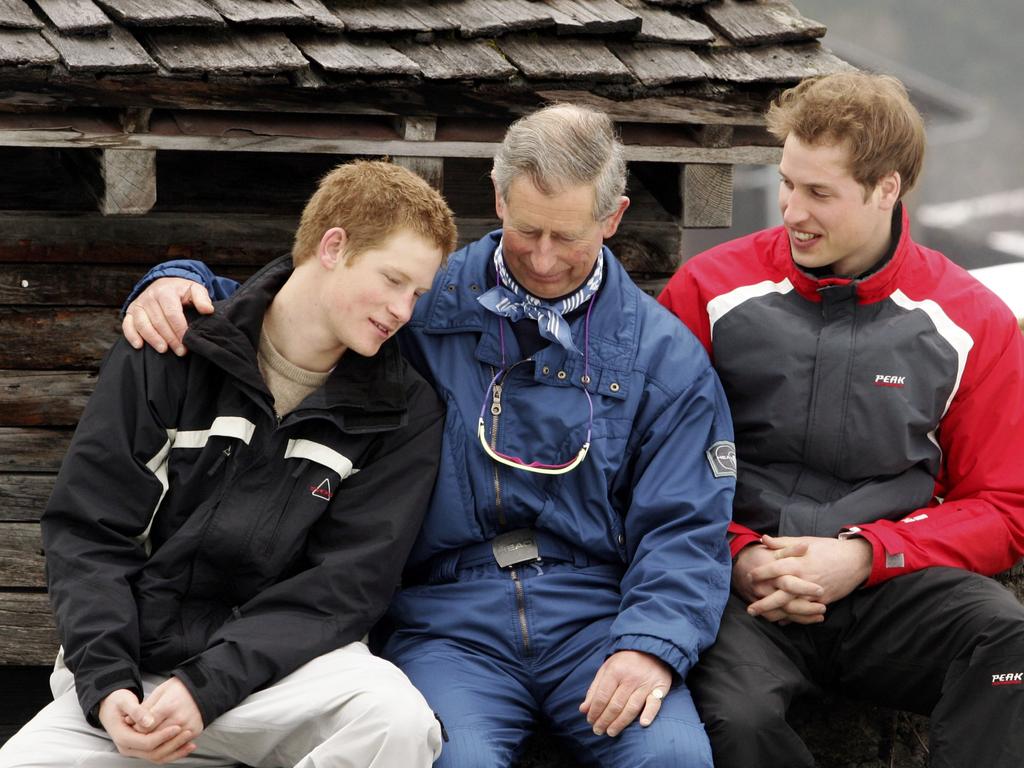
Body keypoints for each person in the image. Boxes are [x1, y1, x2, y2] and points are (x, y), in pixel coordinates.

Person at [117, 104, 736, 767]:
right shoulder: (422, 300)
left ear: (613, 218)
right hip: (444, 618)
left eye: (569, 236)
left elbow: (687, 525)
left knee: (673, 757)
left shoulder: (663, 357)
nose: (546, 259)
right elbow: (299, 303)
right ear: (497, 195)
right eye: (527, 230)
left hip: (598, 617)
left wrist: (649, 644)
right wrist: (177, 281)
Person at [0, 160, 457, 768]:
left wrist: (208, 685)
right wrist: (107, 686)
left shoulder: (403, 409)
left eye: (417, 294)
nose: (404, 310)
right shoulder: (170, 349)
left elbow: (344, 588)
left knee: (395, 723)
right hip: (136, 670)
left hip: (284, 680)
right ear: (333, 245)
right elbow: (88, 534)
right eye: (394, 280)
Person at [659, 72, 1024, 767]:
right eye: (788, 183)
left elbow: (1005, 506)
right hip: (738, 589)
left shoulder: (973, 320)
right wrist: (741, 556)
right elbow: (651, 467)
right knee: (733, 723)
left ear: (886, 189)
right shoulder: (707, 291)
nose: (791, 210)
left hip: (888, 587)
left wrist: (866, 554)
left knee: (1013, 655)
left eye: (819, 193)